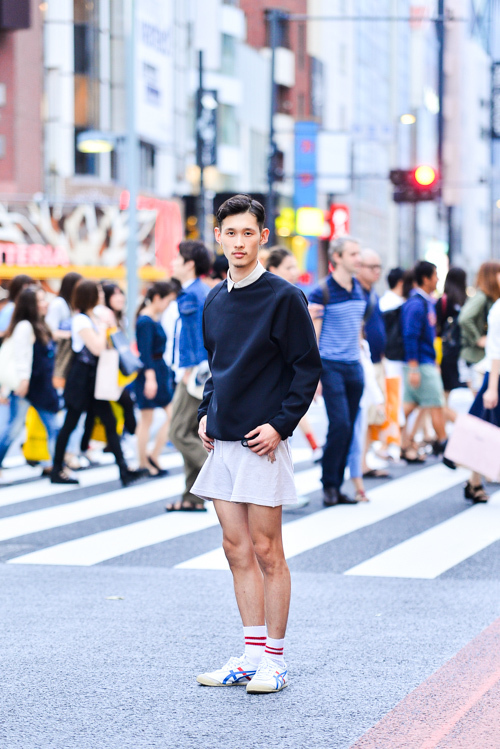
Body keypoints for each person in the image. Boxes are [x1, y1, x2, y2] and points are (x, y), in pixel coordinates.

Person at [193, 194, 321, 693]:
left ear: (263, 237)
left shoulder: (284, 297)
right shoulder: (214, 298)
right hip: (222, 440)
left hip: (262, 441)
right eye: (231, 233)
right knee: (235, 548)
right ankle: (249, 654)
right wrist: (206, 410)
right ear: (219, 237)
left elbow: (305, 367)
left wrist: (281, 425)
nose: (240, 241)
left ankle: (275, 659)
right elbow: (216, 364)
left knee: (269, 551)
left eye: (250, 233)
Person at [50, 279, 143, 486]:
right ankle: (57, 469)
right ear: (89, 296)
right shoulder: (81, 320)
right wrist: (103, 328)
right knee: (70, 424)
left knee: (109, 422)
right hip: (80, 380)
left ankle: (124, 470)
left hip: (93, 379)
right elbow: (97, 348)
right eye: (98, 292)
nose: (102, 295)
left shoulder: (92, 317)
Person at [308, 236, 366, 506]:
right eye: (353, 254)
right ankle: (329, 484)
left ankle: (338, 484)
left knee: (349, 427)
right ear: (338, 258)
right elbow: (313, 337)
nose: (359, 259)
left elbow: (357, 328)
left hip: (354, 367)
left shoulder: (360, 289)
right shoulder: (322, 291)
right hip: (330, 366)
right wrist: (315, 375)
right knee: (340, 424)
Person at [166, 240, 212, 512]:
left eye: (177, 258)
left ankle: (219, 477)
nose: (173, 263)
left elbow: (197, 336)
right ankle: (192, 496)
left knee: (179, 432)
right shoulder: (197, 291)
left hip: (195, 373)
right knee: (191, 431)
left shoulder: (193, 294)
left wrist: (187, 370)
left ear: (189, 264)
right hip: (198, 371)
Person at [267, 247, 321, 461]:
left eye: (295, 266)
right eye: (288, 267)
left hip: (291, 370)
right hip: (272, 373)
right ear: (273, 269)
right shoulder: (271, 296)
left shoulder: (294, 295)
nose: (294, 272)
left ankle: (315, 446)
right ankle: (315, 446)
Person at [0, 287, 59, 472]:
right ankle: (54, 466)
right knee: (15, 429)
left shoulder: (39, 324)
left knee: (44, 426)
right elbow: (21, 355)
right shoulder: (25, 326)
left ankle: (51, 465)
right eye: (40, 300)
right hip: (30, 387)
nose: (45, 303)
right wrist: (24, 380)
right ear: (31, 305)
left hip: (38, 386)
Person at [401, 260, 447, 458]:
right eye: (435, 275)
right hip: (421, 363)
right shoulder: (416, 304)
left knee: (410, 406)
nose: (437, 279)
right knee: (436, 404)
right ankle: (444, 442)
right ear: (425, 278)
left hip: (424, 362)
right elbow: (410, 336)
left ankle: (395, 437)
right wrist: (413, 367)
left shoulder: (424, 302)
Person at [463, 266, 500, 503]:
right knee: (485, 429)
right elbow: (496, 350)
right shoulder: (497, 309)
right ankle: (474, 480)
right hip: (496, 375)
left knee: (486, 428)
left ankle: (474, 481)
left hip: (494, 375)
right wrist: (493, 387)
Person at [135, 282, 177, 476]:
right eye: (168, 301)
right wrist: (150, 378)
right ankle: (145, 460)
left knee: (154, 417)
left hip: (157, 370)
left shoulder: (151, 318)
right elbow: (145, 353)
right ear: (158, 298)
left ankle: (150, 458)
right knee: (148, 418)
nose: (168, 305)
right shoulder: (145, 320)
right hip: (150, 372)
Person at [356, 248, 389, 477]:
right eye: (372, 267)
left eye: (379, 267)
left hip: (376, 360)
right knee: (364, 414)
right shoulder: (356, 292)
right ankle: (360, 464)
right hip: (363, 362)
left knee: (372, 416)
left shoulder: (372, 292)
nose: (376, 272)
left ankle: (363, 461)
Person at [458, 261, 500, 393]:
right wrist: (478, 339)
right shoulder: (481, 296)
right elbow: (464, 318)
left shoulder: (487, 297)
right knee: (481, 402)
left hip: (478, 358)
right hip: (474, 357)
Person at [379, 267, 406, 457]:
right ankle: (387, 445)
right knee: (395, 402)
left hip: (388, 358)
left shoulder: (384, 301)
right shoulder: (396, 305)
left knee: (395, 401)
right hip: (393, 359)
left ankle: (400, 442)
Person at [436, 267, 467, 397]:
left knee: (445, 390)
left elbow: (437, 328)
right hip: (463, 349)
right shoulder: (466, 301)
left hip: (446, 351)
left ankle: (444, 417)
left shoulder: (442, 301)